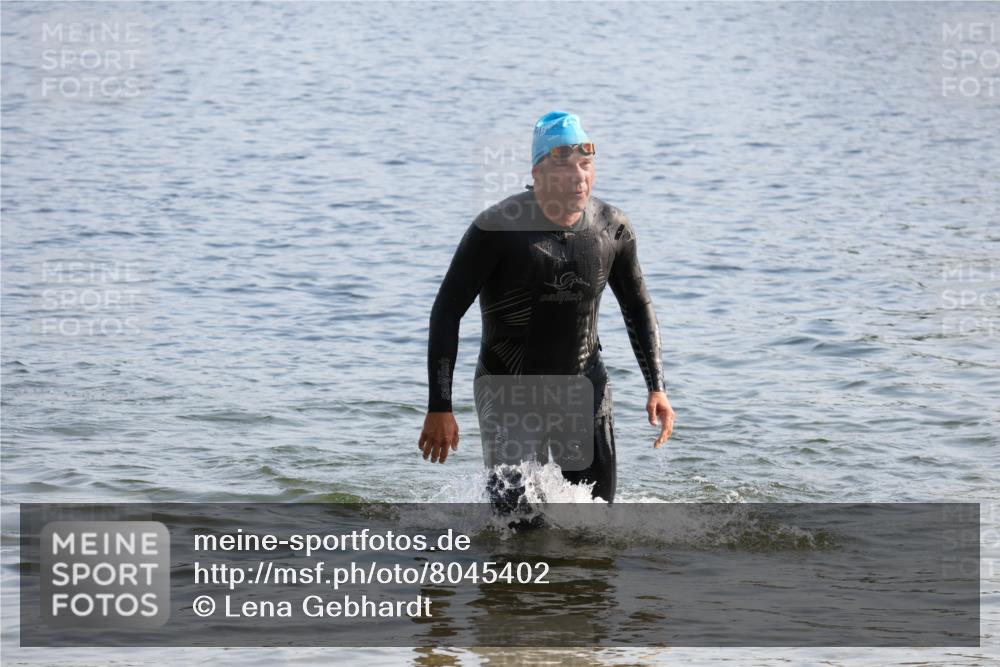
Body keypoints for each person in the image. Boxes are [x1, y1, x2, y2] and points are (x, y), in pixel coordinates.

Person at [418, 111, 675, 505]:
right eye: (564, 167)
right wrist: (440, 406)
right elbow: (446, 311)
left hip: (583, 388)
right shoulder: (496, 230)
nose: (579, 177)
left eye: (586, 164)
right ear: (537, 174)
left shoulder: (611, 228)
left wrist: (656, 386)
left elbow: (637, 306)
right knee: (517, 525)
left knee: (596, 522)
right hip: (508, 394)